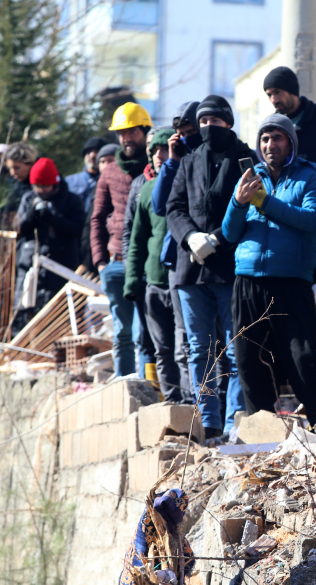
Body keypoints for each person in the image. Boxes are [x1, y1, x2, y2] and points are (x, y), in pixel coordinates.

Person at [222, 113, 316, 424]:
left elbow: (312, 219)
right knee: (248, 360)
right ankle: (262, 431)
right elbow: (230, 233)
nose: (270, 144)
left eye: (277, 138)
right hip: (248, 280)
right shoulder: (250, 175)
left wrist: (265, 203)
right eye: (265, 139)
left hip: (290, 282)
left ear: (290, 143)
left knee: (302, 359)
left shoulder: (310, 174)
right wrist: (238, 201)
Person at [166, 94, 255, 440]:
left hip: (230, 267)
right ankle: (209, 421)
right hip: (191, 269)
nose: (207, 127)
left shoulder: (244, 157)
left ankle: (234, 417)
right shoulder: (189, 161)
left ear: (228, 123)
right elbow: (173, 208)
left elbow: (253, 208)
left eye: (214, 122)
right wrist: (189, 238)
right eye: (202, 122)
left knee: (234, 347)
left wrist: (216, 239)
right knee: (200, 349)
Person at [92, 102, 152, 377]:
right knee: (122, 333)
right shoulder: (109, 171)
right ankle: (125, 387)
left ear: (144, 130)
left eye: (132, 131)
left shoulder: (155, 166)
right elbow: (97, 217)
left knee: (145, 332)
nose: (126, 138)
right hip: (115, 262)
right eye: (121, 133)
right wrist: (101, 261)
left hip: (147, 263)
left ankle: (146, 387)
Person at [125, 128, 183, 403]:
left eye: (165, 149)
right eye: (155, 151)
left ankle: (193, 403)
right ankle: (171, 401)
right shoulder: (146, 190)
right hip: (154, 282)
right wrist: (132, 281)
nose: (160, 156)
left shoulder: (186, 182)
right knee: (162, 350)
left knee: (186, 348)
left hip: (183, 280)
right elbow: (136, 239)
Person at [149, 101, 201, 400]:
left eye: (190, 132)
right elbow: (159, 205)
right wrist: (171, 161)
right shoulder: (177, 161)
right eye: (180, 133)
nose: (185, 138)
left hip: (213, 257)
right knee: (183, 342)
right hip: (179, 259)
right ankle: (186, 403)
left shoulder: (213, 159)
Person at [15, 158, 85, 320]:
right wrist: (32, 215)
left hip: (61, 265)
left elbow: (77, 229)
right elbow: (18, 228)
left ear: (55, 184)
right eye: (38, 187)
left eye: (46, 187)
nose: (42, 191)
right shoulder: (28, 199)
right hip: (30, 265)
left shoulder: (71, 200)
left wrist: (53, 217)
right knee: (24, 313)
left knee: (58, 315)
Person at [263, 66, 316, 174]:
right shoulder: (271, 125)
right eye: (269, 95)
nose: (273, 100)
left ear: (292, 91)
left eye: (277, 92)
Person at [81, 143, 119, 274]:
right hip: (97, 257)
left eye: (111, 160)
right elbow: (92, 224)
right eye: (103, 161)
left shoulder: (127, 185)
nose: (107, 165)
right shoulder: (96, 189)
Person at [66, 136, 107, 214]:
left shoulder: (111, 182)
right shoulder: (70, 181)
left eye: (97, 151)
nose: (92, 155)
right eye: (88, 152)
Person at [2, 142, 38, 220]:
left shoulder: (41, 186)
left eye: (17, 168)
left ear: (31, 164)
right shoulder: (13, 182)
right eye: (10, 168)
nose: (13, 173)